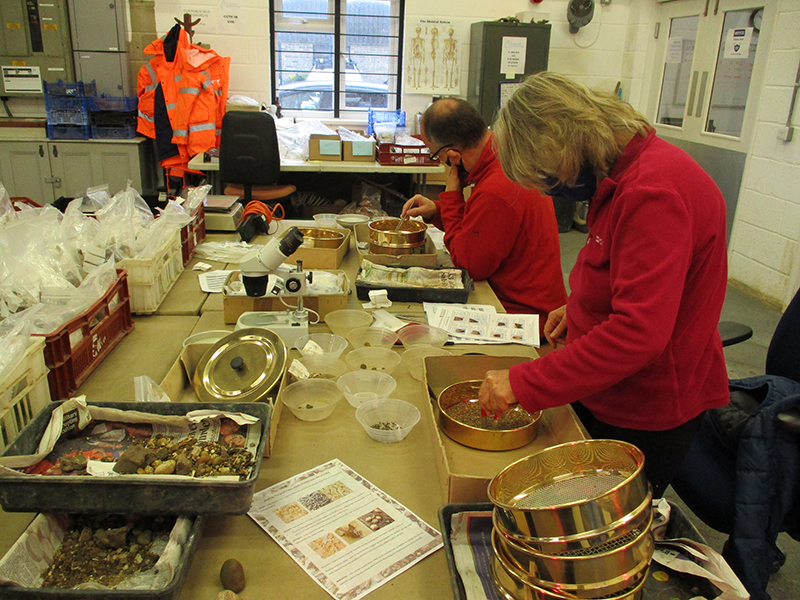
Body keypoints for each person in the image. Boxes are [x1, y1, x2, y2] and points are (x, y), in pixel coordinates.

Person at [479, 72, 730, 498]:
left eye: (549, 177)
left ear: (567, 140)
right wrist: (578, 307)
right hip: (611, 387)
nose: (554, 192)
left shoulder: (651, 191)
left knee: (598, 522)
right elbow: (623, 273)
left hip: (646, 404)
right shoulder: (622, 172)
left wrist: (524, 383)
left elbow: (639, 332)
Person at [401, 98, 567, 331]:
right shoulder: (506, 156)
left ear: (453, 154)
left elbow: (469, 264)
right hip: (531, 301)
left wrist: (451, 194)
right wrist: (438, 211)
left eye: (436, 155)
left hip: (524, 316)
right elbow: (482, 228)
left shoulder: (497, 188)